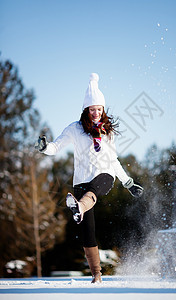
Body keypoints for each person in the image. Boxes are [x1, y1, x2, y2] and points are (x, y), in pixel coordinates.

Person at [35, 73, 144, 283]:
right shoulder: (75, 129)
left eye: (99, 109)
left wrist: (128, 183)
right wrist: (45, 148)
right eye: (92, 109)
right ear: (86, 110)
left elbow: (114, 160)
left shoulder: (107, 133)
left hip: (104, 176)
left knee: (100, 182)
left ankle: (80, 207)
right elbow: (56, 147)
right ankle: (96, 276)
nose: (96, 113)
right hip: (81, 182)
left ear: (103, 110)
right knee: (88, 232)